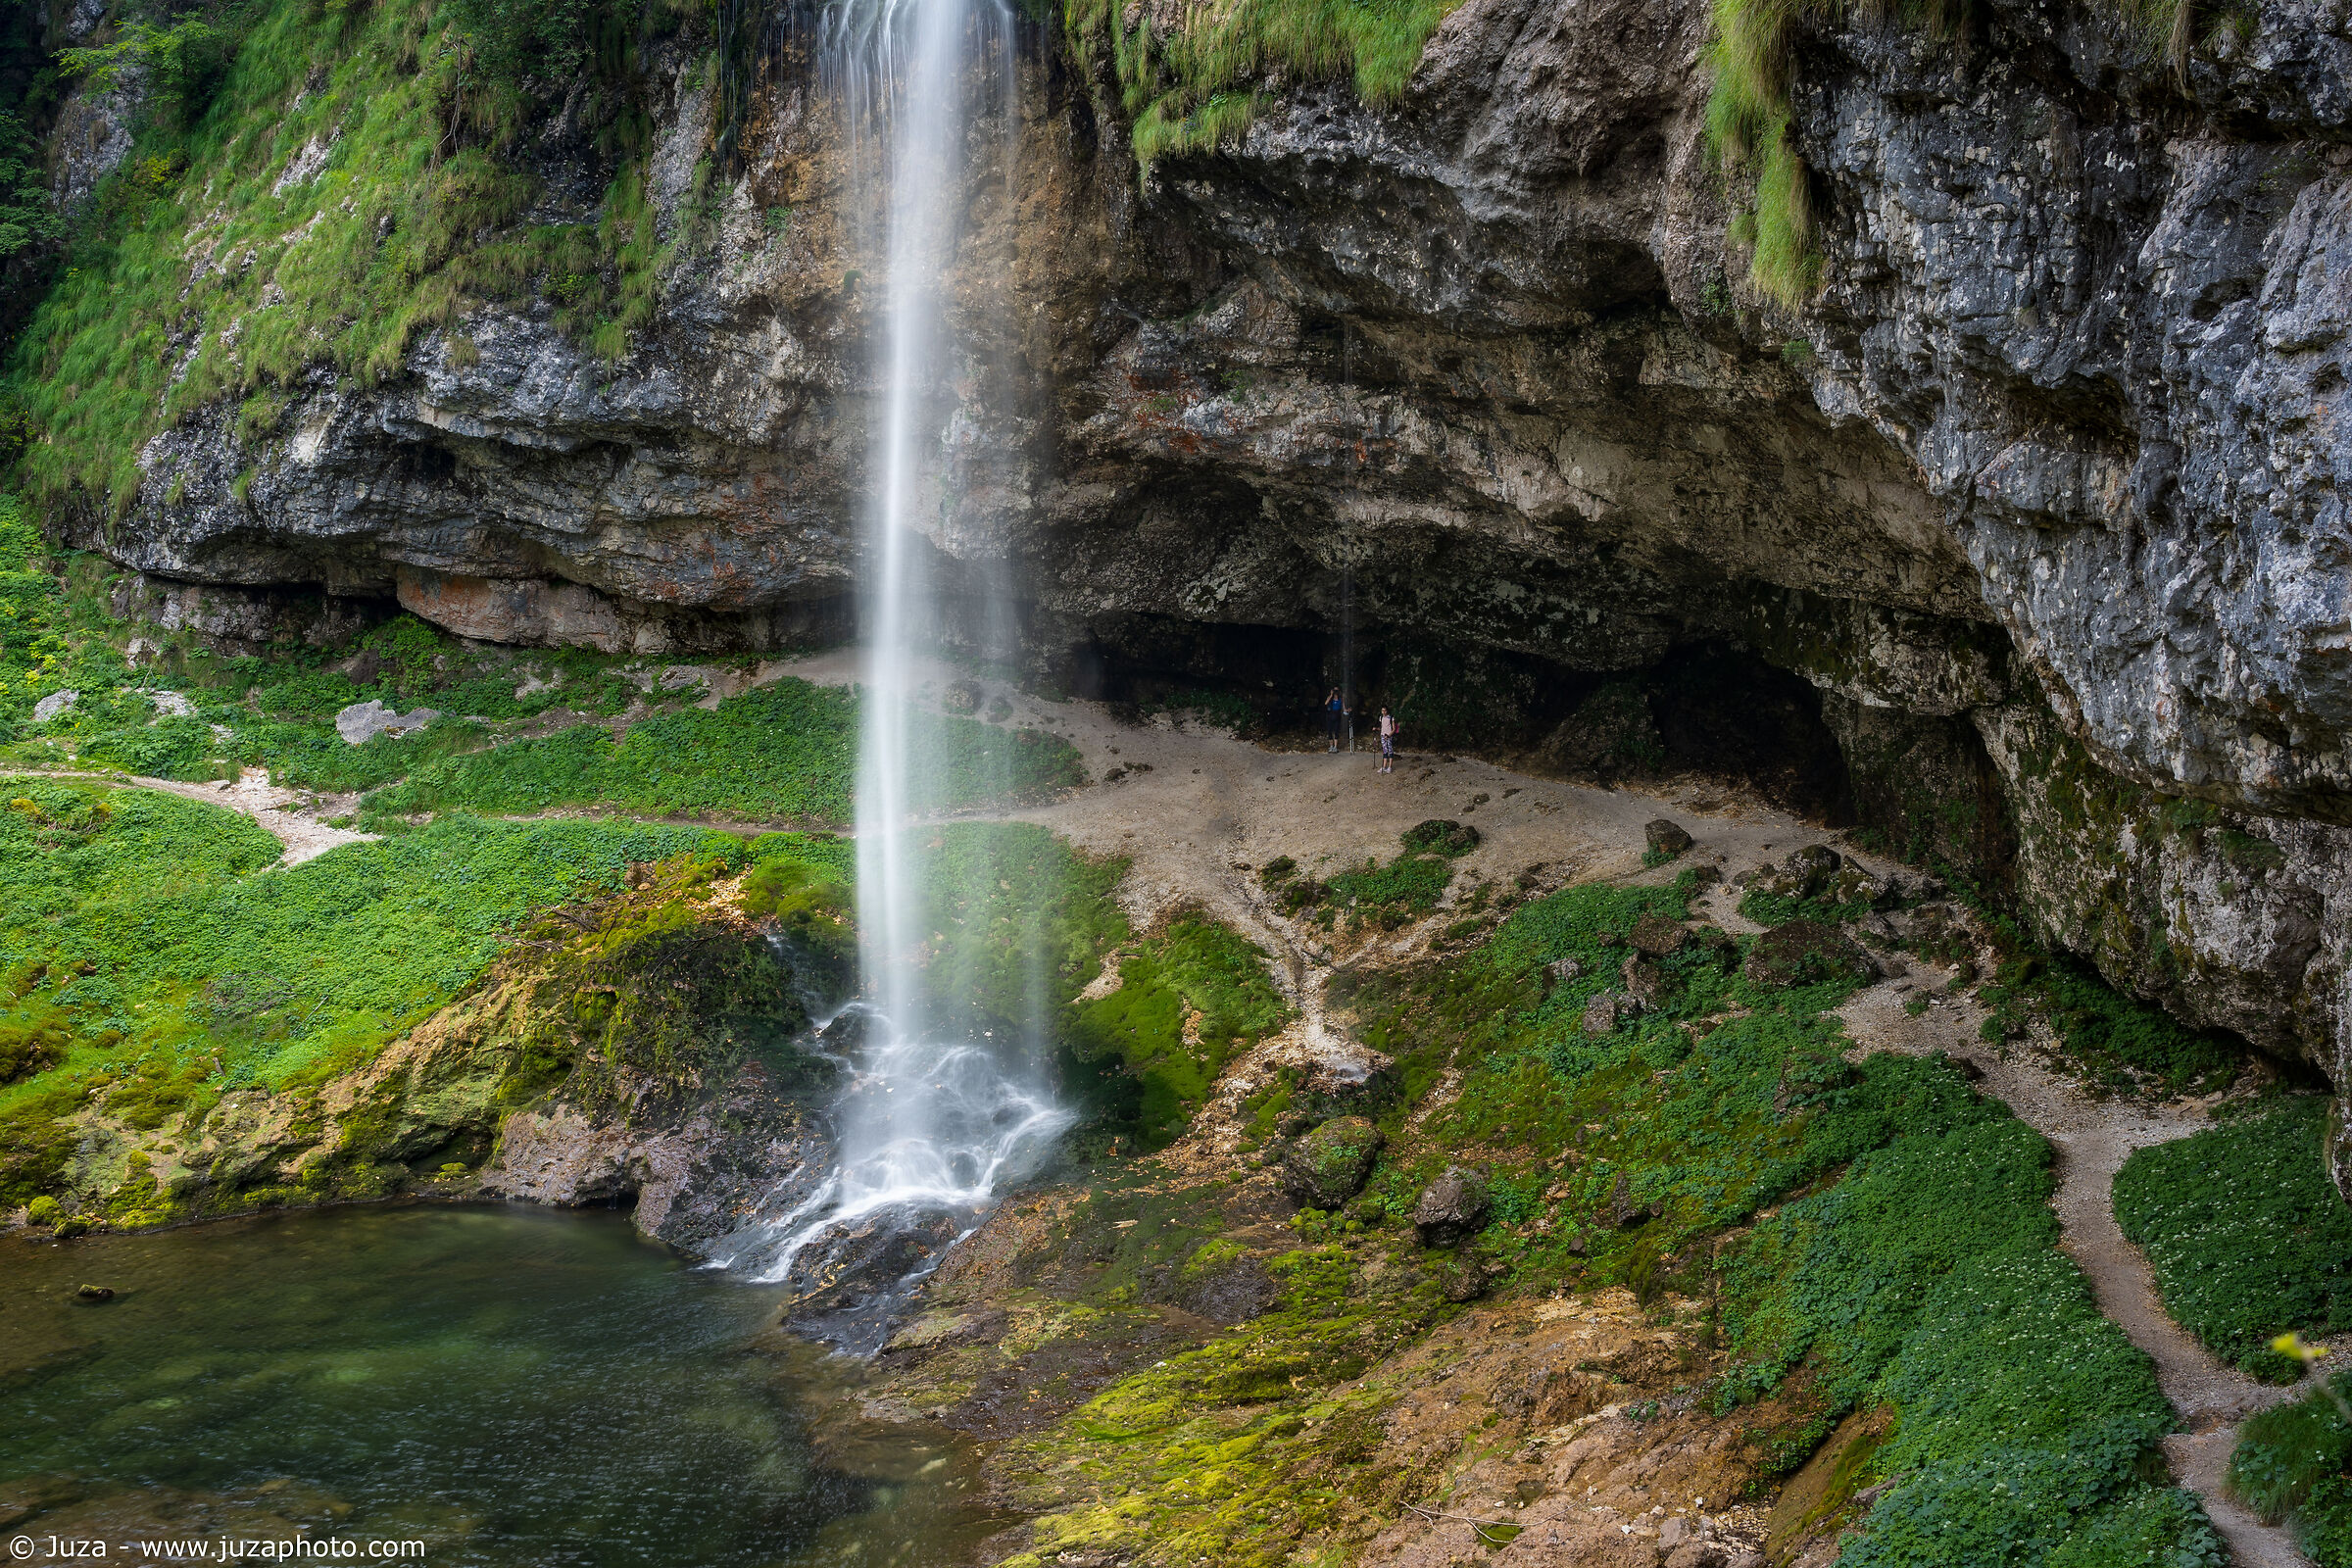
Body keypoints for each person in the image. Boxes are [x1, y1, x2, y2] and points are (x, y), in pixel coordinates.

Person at [1324, 688, 1346, 752]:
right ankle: (1331, 746)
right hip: (1330, 716)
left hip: (1337, 716)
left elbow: (1344, 708)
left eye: (1337, 691)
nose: (1336, 692)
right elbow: (1325, 703)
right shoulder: (1330, 698)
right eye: (1334, 691)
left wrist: (1347, 710)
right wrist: (1331, 695)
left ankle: (1335, 747)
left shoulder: (1341, 699)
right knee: (1329, 731)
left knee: (1336, 731)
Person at [1378, 706, 1396, 773]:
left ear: (1387, 710)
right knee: (1385, 750)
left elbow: (1394, 729)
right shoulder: (1381, 717)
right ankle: (1384, 766)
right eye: (1382, 710)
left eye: (1385, 710)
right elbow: (1382, 727)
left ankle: (1390, 767)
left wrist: (1388, 735)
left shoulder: (1391, 718)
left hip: (1389, 736)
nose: (1383, 712)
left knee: (1390, 750)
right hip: (1382, 736)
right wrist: (1376, 729)